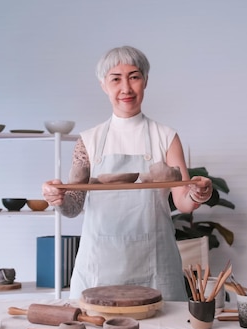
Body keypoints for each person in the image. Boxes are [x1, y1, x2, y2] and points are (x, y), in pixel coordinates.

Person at [42, 46, 213, 301]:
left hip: (155, 264)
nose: (126, 88)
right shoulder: (88, 140)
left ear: (145, 81)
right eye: (115, 79)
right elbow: (73, 207)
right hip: (99, 265)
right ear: (103, 85)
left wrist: (199, 193)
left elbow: (183, 202)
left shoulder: (165, 137)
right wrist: (57, 198)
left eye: (134, 77)